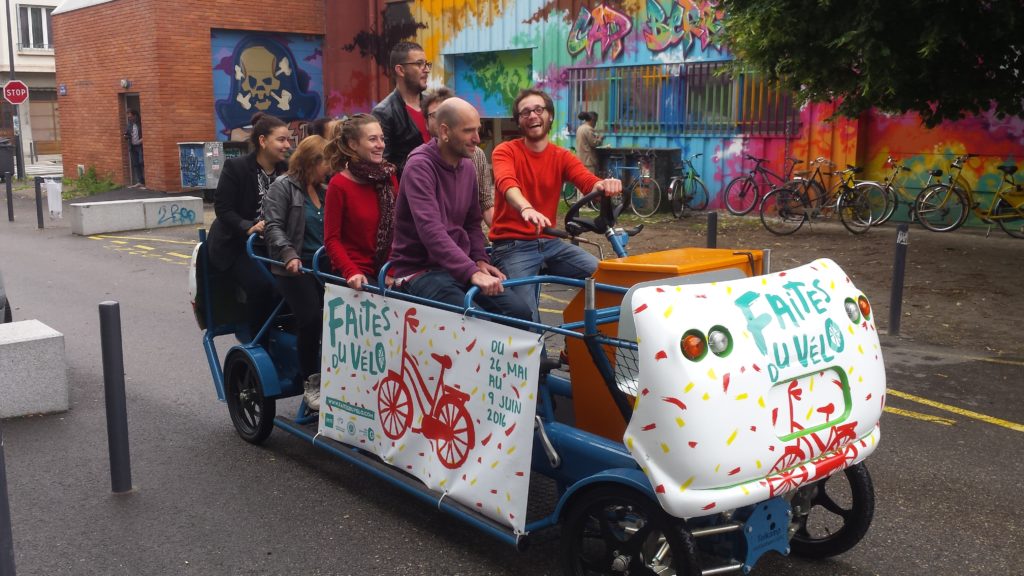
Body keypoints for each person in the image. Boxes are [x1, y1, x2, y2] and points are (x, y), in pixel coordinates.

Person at [390, 98, 531, 322]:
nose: (477, 138)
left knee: (519, 314)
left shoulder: (467, 166)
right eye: (468, 131)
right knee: (477, 320)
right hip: (419, 270)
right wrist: (471, 271)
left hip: (456, 265)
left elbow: (471, 223)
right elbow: (431, 232)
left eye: (478, 129)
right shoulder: (420, 166)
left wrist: (480, 260)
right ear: (444, 131)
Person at [489, 89, 622, 322]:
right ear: (519, 121)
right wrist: (525, 208)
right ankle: (535, 358)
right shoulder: (505, 151)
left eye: (538, 110)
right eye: (525, 112)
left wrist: (604, 186)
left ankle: (579, 344)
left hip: (550, 242)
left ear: (549, 115)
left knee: (607, 280)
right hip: (513, 246)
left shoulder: (562, 156)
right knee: (524, 315)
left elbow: (587, 181)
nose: (532, 115)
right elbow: (506, 183)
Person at [206, 112, 292, 338]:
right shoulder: (236, 167)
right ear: (263, 141)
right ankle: (257, 339)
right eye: (281, 140)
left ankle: (283, 332)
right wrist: (248, 226)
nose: (287, 145)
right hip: (238, 244)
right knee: (262, 286)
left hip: (275, 243)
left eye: (288, 140)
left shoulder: (288, 170)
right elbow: (223, 209)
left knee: (298, 284)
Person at [262, 135, 330, 410]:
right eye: (326, 162)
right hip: (295, 268)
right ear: (312, 162)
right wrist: (288, 254)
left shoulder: (324, 189)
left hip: (323, 265)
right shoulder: (283, 187)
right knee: (311, 318)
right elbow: (273, 226)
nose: (330, 168)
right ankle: (310, 382)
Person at [323, 114, 398, 290]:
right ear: (353, 144)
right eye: (372, 139)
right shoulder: (339, 184)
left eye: (382, 138)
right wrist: (351, 271)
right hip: (355, 273)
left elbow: (400, 227)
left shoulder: (389, 176)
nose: (381, 145)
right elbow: (331, 239)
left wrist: (391, 270)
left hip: (389, 269)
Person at [422, 86, 494, 227]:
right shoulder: (419, 161)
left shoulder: (474, 155)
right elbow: (429, 226)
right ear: (426, 122)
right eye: (435, 115)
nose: (442, 119)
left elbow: (484, 204)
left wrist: (502, 237)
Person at [372, 41, 431, 178]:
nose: (426, 69)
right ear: (400, 70)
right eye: (419, 64)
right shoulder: (384, 113)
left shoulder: (433, 105)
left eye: (427, 64)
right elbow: (383, 163)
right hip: (409, 190)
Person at [575, 111, 603, 176]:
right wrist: (600, 139)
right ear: (592, 120)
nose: (595, 124)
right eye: (595, 121)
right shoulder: (588, 129)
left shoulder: (580, 128)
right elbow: (594, 143)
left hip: (580, 160)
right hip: (588, 162)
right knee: (590, 182)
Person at [124, 109, 145, 187]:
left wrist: (142, 139)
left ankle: (147, 180)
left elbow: (146, 132)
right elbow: (126, 133)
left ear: (135, 116)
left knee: (141, 162)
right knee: (136, 164)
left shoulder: (141, 123)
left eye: (131, 117)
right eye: (129, 117)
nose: (130, 118)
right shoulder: (129, 124)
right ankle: (140, 181)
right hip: (132, 146)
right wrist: (126, 136)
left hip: (140, 146)